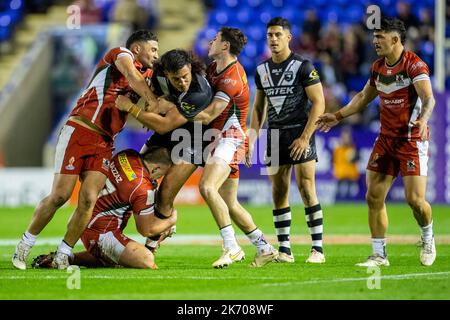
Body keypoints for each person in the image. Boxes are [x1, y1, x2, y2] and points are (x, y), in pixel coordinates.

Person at [116, 45, 277, 268]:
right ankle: (264, 247)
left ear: (191, 69)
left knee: (171, 191)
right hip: (192, 134)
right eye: (176, 79)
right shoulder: (161, 74)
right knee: (229, 202)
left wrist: (134, 109)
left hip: (196, 140)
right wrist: (153, 106)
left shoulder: (200, 91)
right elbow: (156, 99)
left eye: (185, 77)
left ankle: (154, 246)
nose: (182, 83)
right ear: (166, 73)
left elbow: (165, 125)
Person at [12, 30, 160, 270]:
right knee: (60, 196)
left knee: (89, 199)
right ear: (136, 49)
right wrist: (150, 101)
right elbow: (133, 77)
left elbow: (155, 94)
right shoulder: (120, 55)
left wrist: (152, 109)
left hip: (104, 142)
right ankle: (24, 245)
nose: (156, 54)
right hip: (80, 130)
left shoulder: (150, 76)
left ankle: (63, 253)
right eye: (152, 49)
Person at [316, 17, 436, 267]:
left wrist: (423, 119)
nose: (374, 41)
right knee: (374, 196)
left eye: (379, 36)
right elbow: (362, 97)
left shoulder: (414, 65)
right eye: (374, 36)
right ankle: (379, 255)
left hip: (412, 139)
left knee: (415, 200)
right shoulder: (378, 67)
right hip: (386, 139)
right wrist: (337, 116)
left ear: (395, 39)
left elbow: (429, 98)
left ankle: (427, 235)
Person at [195, 27, 278, 268]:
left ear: (225, 47)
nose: (210, 42)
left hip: (229, 139)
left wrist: (174, 116)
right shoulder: (214, 69)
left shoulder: (232, 76)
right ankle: (264, 247)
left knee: (207, 187)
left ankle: (231, 247)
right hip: (221, 139)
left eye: (216, 39)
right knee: (230, 203)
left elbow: (211, 112)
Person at [247, 17, 326, 264]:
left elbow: (319, 102)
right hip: (274, 134)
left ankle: (318, 250)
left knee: (305, 187)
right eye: (270, 35)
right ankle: (285, 250)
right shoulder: (262, 70)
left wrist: (305, 137)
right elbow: (258, 108)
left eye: (278, 35)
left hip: (299, 132)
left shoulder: (303, 66)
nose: (273, 39)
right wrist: (251, 139)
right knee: (279, 191)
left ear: (288, 37)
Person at [32, 147, 175, 269]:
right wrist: (171, 220)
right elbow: (146, 229)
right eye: (162, 173)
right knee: (146, 259)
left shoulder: (126, 155)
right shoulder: (142, 188)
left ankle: (63, 257)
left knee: (119, 256)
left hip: (81, 219)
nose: (160, 177)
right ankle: (70, 258)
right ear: (156, 168)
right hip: (101, 233)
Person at [332, 127, 360, 201]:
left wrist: (354, 156)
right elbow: (333, 162)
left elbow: (357, 159)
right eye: (344, 137)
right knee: (339, 199)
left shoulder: (353, 148)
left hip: (351, 177)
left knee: (351, 199)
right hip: (340, 177)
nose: (345, 139)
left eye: (347, 137)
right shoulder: (337, 149)